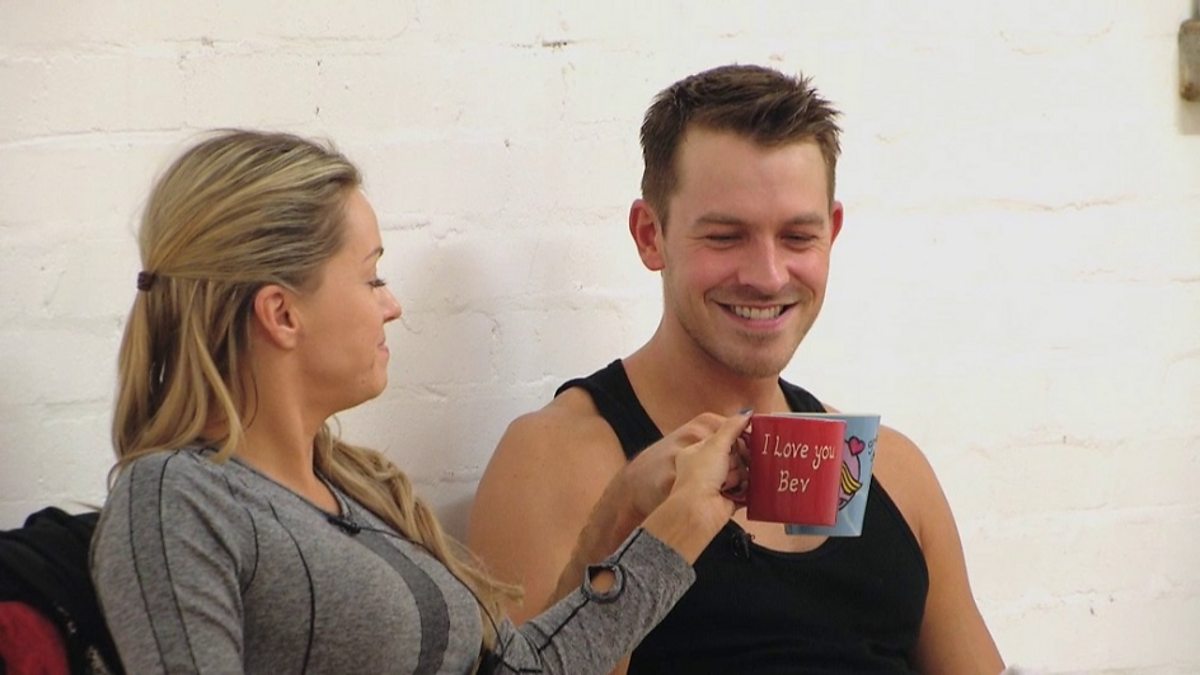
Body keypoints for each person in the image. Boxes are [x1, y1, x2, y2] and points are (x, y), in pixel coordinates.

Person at [89, 129, 753, 675]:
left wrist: (633, 509)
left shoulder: (358, 491)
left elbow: (523, 669)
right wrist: (674, 533)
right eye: (371, 276)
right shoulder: (177, 497)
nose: (392, 304)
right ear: (281, 314)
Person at [468, 65, 1006, 674]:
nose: (768, 276)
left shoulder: (894, 473)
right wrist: (627, 523)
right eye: (726, 237)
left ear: (831, 234)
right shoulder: (558, 460)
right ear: (651, 236)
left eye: (797, 237)